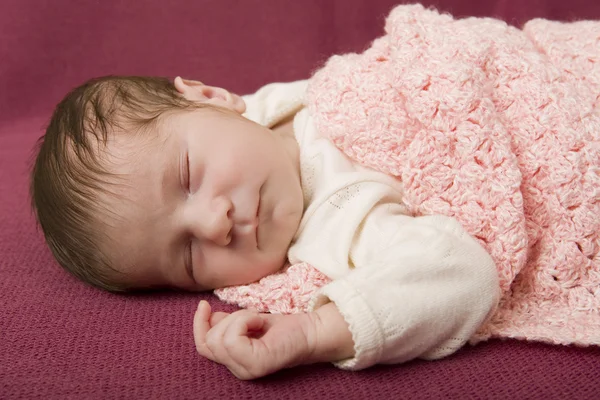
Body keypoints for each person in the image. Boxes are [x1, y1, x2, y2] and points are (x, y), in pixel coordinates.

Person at [31, 75, 500, 379]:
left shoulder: (278, 105)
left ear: (211, 96)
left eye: (188, 178)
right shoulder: (339, 230)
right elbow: (464, 274)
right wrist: (313, 332)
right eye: (190, 256)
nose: (215, 225)